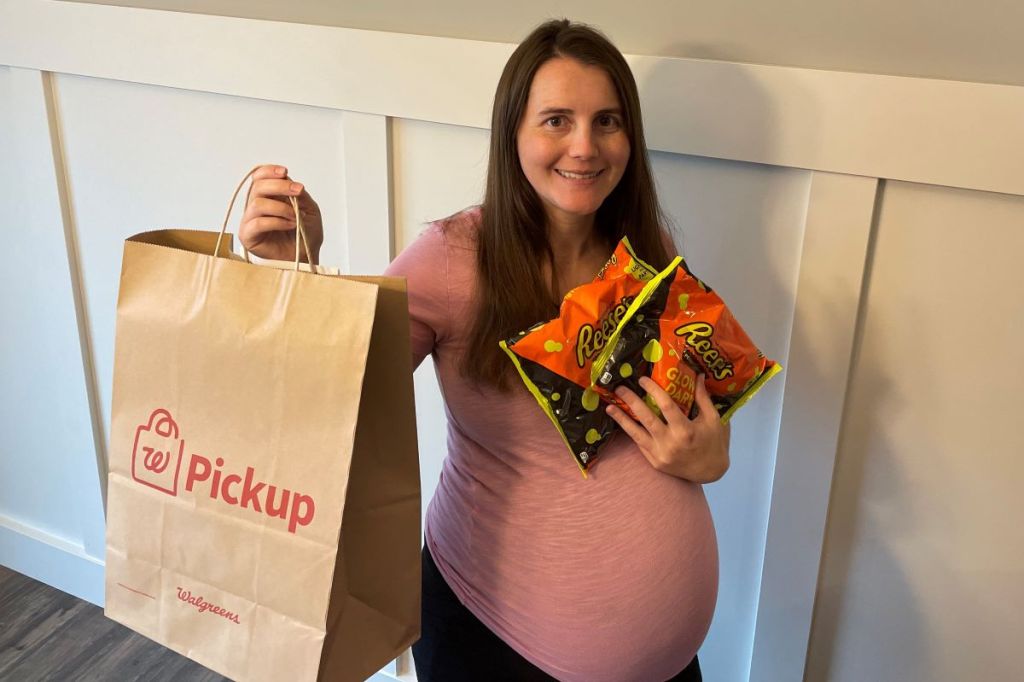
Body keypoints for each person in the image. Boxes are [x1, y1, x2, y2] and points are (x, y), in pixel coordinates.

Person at [239, 19, 729, 682]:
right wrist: (298, 267)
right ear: (513, 134)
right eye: (556, 119)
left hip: (670, 661)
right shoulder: (453, 258)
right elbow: (331, 393)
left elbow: (684, 414)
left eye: (607, 121)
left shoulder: (645, 249)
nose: (584, 147)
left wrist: (709, 456)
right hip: (496, 643)